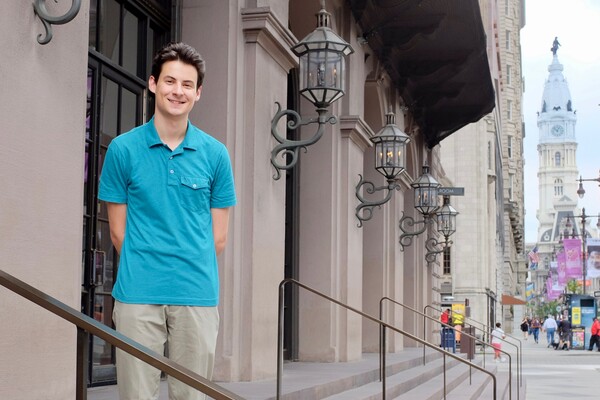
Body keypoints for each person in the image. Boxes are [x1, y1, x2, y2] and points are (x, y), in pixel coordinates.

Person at [99, 42, 237, 400]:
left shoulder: (215, 155)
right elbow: (118, 232)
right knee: (136, 395)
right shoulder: (123, 150)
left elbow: (218, 238)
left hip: (196, 295)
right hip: (137, 295)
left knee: (192, 395)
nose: (178, 91)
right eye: (170, 81)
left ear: (198, 93)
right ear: (153, 84)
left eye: (187, 85)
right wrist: (148, 266)